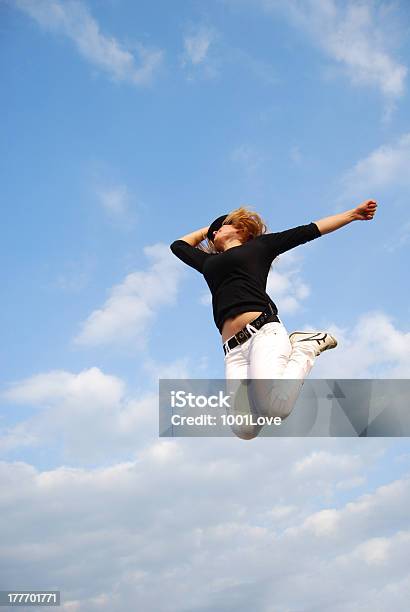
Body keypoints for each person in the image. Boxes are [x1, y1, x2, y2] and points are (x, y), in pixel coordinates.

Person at [170, 200, 378, 439]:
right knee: (244, 429)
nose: (214, 233)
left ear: (241, 228)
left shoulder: (261, 246)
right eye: (212, 232)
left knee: (275, 408)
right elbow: (178, 246)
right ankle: (299, 350)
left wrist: (352, 214)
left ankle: (306, 346)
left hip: (262, 332)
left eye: (221, 227)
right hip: (233, 350)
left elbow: (310, 230)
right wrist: (211, 228)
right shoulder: (207, 263)